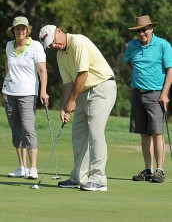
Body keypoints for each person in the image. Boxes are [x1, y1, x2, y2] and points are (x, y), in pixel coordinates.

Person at [39, 25, 117, 191]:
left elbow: (83, 74)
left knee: (95, 132)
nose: (53, 46)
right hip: (82, 91)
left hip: (102, 87)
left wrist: (72, 100)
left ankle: (99, 179)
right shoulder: (60, 55)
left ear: (59, 31)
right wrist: (64, 107)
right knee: (78, 133)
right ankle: (78, 178)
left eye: (53, 41)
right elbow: (68, 83)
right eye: (50, 45)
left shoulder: (78, 42)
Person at [124, 15, 172, 183]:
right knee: (144, 133)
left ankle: (160, 171)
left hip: (156, 94)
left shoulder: (163, 45)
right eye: (139, 30)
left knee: (157, 133)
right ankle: (148, 170)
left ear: (152, 28)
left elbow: (170, 70)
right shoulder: (132, 46)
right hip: (138, 93)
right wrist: (135, 78)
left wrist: (165, 93)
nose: (142, 33)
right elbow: (128, 62)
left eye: (144, 29)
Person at [2, 16, 49, 179]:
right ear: (13, 30)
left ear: (28, 29)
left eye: (23, 28)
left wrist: (43, 91)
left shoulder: (35, 46)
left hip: (28, 93)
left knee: (28, 129)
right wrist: (8, 78)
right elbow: (7, 64)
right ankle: (21, 167)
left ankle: (33, 168)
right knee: (16, 130)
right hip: (9, 93)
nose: (20, 31)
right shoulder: (9, 45)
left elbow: (42, 70)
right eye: (17, 28)